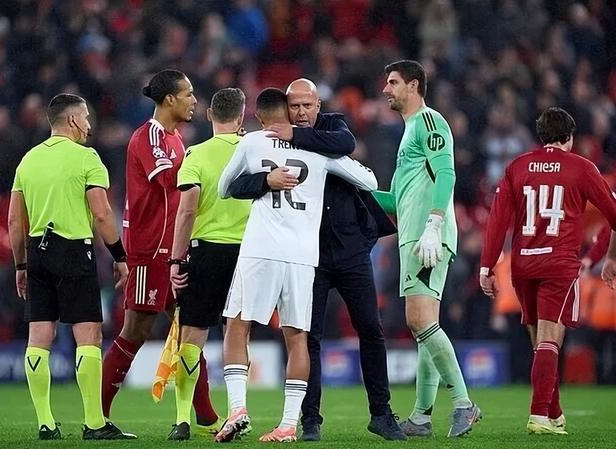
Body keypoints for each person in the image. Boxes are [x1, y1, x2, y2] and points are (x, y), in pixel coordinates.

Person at [227, 79, 403, 441]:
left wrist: (295, 135)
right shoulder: (270, 143)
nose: (302, 112)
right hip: (310, 254)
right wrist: (267, 177)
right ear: (285, 107)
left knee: (370, 329)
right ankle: (309, 421)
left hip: (350, 249)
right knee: (307, 337)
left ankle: (382, 414)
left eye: (308, 106)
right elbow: (236, 186)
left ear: (318, 106)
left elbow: (347, 146)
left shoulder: (331, 129)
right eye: (295, 107)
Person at [480, 107, 616, 435]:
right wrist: (611, 257)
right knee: (550, 339)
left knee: (539, 341)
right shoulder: (581, 167)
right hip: (559, 263)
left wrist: (486, 266)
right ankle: (539, 414)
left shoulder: (517, 166)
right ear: (570, 137)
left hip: (523, 264)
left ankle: (554, 412)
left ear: (541, 136)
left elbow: (498, 220)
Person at [101, 69, 221, 435]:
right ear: (169, 99)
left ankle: (206, 417)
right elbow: (169, 178)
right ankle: (97, 416)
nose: (194, 101)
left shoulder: (177, 139)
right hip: (150, 251)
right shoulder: (149, 136)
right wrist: (210, 158)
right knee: (136, 329)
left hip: (175, 251)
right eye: (188, 94)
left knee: (190, 327)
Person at [8, 93, 135, 440]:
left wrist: (21, 264)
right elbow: (102, 213)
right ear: (74, 120)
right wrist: (120, 256)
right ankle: (94, 423)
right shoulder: (87, 158)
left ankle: (45, 423)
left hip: (37, 250)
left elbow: (15, 222)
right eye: (86, 118)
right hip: (74, 250)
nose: (89, 125)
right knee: (88, 336)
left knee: (39, 337)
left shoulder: (28, 161)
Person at [373, 60, 481, 438]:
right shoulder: (408, 134)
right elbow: (396, 201)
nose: (386, 89)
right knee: (425, 327)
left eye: (393, 82)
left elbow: (447, 171)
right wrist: (356, 188)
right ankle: (421, 417)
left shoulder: (429, 121)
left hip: (427, 237)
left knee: (419, 320)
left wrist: (434, 224)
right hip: (415, 235)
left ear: (413, 85)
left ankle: (464, 404)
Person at [166, 87, 251, 440]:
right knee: (238, 333)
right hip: (248, 254)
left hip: (206, 253)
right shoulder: (253, 152)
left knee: (192, 335)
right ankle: (236, 412)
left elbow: (186, 211)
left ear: (209, 115)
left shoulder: (196, 154)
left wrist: (176, 259)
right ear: (242, 116)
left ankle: (182, 419)